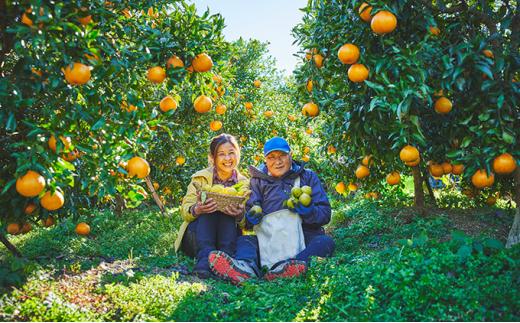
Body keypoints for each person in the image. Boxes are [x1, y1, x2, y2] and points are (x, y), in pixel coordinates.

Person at [208, 137, 335, 284]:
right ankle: (245, 268)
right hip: (269, 240)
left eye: (282, 156)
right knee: (245, 241)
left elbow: (325, 214)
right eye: (271, 157)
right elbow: (248, 221)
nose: (278, 161)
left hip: (303, 235)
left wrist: (309, 212)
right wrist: (250, 218)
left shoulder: (307, 177)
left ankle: (292, 266)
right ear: (265, 160)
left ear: (290, 155)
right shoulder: (257, 181)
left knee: (325, 242)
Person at [174, 134, 249, 278]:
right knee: (210, 202)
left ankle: (225, 260)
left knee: (226, 207)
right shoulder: (200, 178)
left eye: (231, 153)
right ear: (213, 157)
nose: (227, 159)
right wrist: (197, 209)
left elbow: (248, 223)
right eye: (221, 154)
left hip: (229, 237)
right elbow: (185, 210)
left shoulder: (245, 184)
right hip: (197, 238)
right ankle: (205, 259)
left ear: (238, 154)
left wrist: (239, 215)